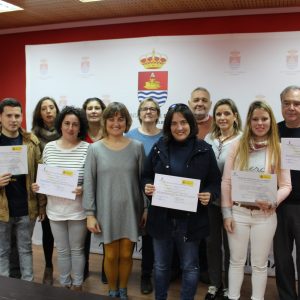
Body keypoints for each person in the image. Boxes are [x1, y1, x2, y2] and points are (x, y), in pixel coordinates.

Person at [143, 103, 221, 300]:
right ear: (168, 126)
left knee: (190, 266)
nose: (179, 127)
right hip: (162, 218)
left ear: (191, 124)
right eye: (174, 123)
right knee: (160, 265)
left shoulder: (204, 149)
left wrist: (209, 194)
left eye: (184, 122)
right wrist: (148, 187)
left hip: (191, 220)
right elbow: (145, 175)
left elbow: (214, 182)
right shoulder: (159, 147)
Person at [221, 100, 291, 300]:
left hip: (265, 216)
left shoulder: (279, 148)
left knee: (260, 265)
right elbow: (226, 182)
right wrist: (227, 214)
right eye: (255, 119)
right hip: (239, 213)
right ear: (249, 121)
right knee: (236, 261)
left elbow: (286, 186)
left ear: (271, 120)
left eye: (264, 118)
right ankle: (232, 297)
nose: (260, 123)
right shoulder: (237, 146)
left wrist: (273, 201)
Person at [83, 102, 146, 299]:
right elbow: (89, 183)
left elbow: (144, 180)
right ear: (105, 121)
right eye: (111, 118)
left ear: (127, 122)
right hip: (106, 211)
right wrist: (90, 214)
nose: (116, 123)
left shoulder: (137, 147)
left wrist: (146, 208)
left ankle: (123, 290)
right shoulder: (95, 149)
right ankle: (112, 290)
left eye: (120, 119)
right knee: (110, 255)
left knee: (127, 255)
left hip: (131, 209)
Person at [33, 106, 89, 290]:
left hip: (78, 210)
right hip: (55, 210)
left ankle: (78, 285)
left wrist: (84, 188)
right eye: (67, 123)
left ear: (80, 127)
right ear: (60, 125)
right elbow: (45, 176)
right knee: (63, 251)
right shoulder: (49, 148)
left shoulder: (87, 149)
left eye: (75, 124)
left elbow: (93, 180)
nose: (70, 128)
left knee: (77, 250)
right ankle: (65, 285)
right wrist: (38, 186)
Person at [0, 98, 46, 281]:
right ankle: (3, 290)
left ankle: (28, 289)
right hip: (2, 209)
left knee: (26, 249)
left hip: (26, 207)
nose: (13, 119)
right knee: (2, 251)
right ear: (1, 117)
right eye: (9, 115)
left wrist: (41, 203)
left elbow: (40, 173)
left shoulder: (31, 141)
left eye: (17, 115)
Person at [204, 98, 242, 300]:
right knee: (212, 245)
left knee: (231, 247)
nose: (222, 117)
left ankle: (229, 286)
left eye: (227, 113)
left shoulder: (244, 139)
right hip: (211, 202)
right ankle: (214, 284)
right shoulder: (209, 139)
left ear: (235, 116)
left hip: (234, 203)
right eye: (218, 114)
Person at [126, 98, 162, 295]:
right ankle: (121, 272)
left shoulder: (166, 137)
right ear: (138, 114)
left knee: (149, 240)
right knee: (129, 236)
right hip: (132, 194)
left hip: (158, 197)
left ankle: (145, 275)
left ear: (158, 114)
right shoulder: (128, 136)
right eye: (144, 109)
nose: (148, 111)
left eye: (152, 109)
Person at [274, 85, 300, 300]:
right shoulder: (273, 131)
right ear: (281, 104)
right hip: (278, 204)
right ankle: (287, 297)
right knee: (282, 258)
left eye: (297, 103)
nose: (291, 107)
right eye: (287, 103)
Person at [31, 96, 60, 285]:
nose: (48, 111)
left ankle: (80, 267)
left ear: (57, 110)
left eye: (51, 107)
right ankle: (48, 267)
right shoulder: (32, 136)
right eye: (44, 108)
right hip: (45, 193)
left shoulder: (68, 131)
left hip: (67, 190)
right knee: (48, 232)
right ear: (39, 113)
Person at [188, 86, 213, 283]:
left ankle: (204, 271)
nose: (200, 103)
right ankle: (180, 269)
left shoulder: (217, 124)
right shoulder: (181, 124)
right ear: (190, 103)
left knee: (205, 234)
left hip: (207, 190)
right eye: (196, 99)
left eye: (204, 100)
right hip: (183, 190)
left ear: (210, 104)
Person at [82, 97, 107, 282]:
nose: (93, 111)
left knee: (108, 230)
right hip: (83, 187)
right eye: (89, 108)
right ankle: (83, 268)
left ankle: (108, 269)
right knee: (84, 231)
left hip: (106, 187)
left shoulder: (111, 131)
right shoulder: (79, 133)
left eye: (97, 107)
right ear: (85, 112)